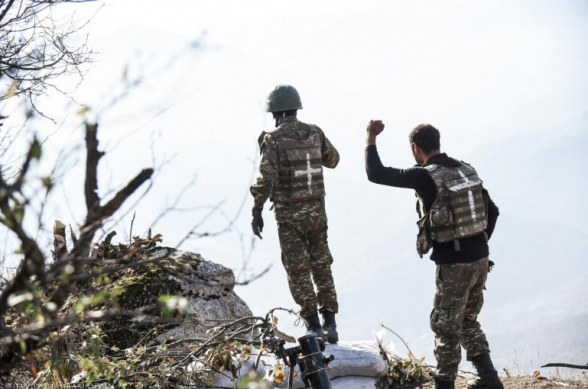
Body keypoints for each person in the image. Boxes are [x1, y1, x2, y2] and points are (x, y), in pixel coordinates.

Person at [364, 120, 503, 389]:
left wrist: (370, 138)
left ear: (415, 148)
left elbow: (376, 173)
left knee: (445, 326)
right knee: (468, 320)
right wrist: (480, 248)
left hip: (456, 263)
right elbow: (492, 211)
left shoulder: (424, 176)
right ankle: (489, 379)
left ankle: (444, 384)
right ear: (438, 143)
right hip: (480, 257)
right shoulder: (465, 168)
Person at [250, 84, 340, 343]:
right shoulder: (315, 133)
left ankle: (314, 326)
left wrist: (257, 209)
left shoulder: (273, 139)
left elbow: (265, 179)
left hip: (289, 218)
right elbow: (333, 160)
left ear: (275, 112)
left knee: (298, 270)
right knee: (322, 264)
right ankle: (330, 323)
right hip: (317, 213)